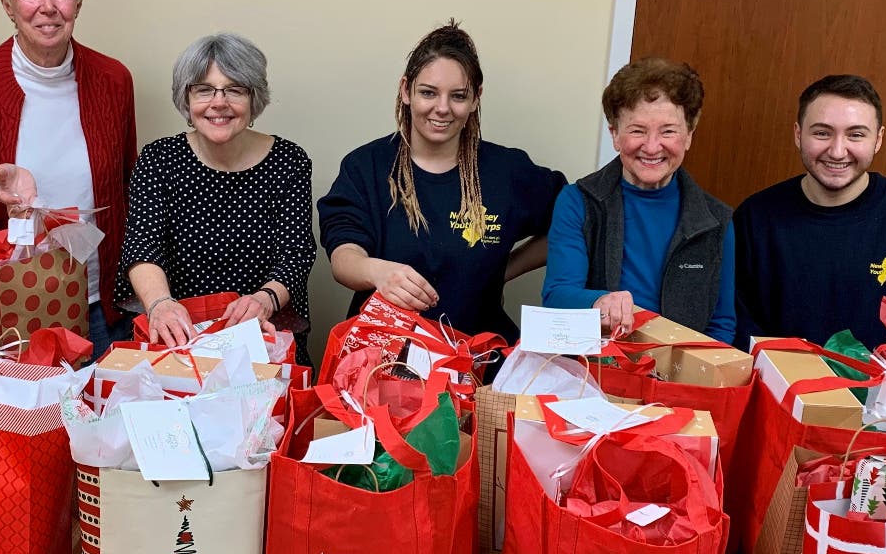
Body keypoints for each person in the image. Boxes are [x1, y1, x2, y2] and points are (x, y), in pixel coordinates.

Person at [318, 20, 565, 342]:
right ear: (406, 90)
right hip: (384, 359)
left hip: (477, 358)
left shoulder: (507, 171)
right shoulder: (367, 166)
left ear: (476, 98)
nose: (443, 108)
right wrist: (377, 272)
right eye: (428, 93)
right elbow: (343, 256)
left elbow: (572, 219)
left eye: (458, 96)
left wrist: (502, 271)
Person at [0, 0, 136, 356]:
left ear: (78, 3)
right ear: (7, 4)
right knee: (6, 424)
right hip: (4, 313)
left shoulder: (113, 81)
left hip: (97, 308)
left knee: (99, 418)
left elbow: (128, 190)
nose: (48, 7)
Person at [733, 74, 886, 375]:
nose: (838, 151)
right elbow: (736, 322)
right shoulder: (756, 217)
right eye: (822, 133)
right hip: (780, 395)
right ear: (798, 134)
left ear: (878, 139)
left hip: (884, 405)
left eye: (855, 135)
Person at [116, 33, 317, 364]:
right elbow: (141, 245)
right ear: (187, 98)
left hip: (262, 338)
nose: (218, 102)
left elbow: (296, 252)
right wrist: (160, 304)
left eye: (234, 89)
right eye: (203, 89)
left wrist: (265, 299)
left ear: (254, 99)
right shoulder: (158, 159)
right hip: (179, 340)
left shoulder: (289, 161)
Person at [542, 57, 735, 342]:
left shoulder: (717, 220)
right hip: (596, 370)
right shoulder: (577, 202)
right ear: (615, 134)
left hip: (683, 375)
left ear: (689, 136)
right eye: (637, 130)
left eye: (668, 131)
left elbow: (721, 324)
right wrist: (599, 303)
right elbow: (556, 297)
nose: (652, 147)